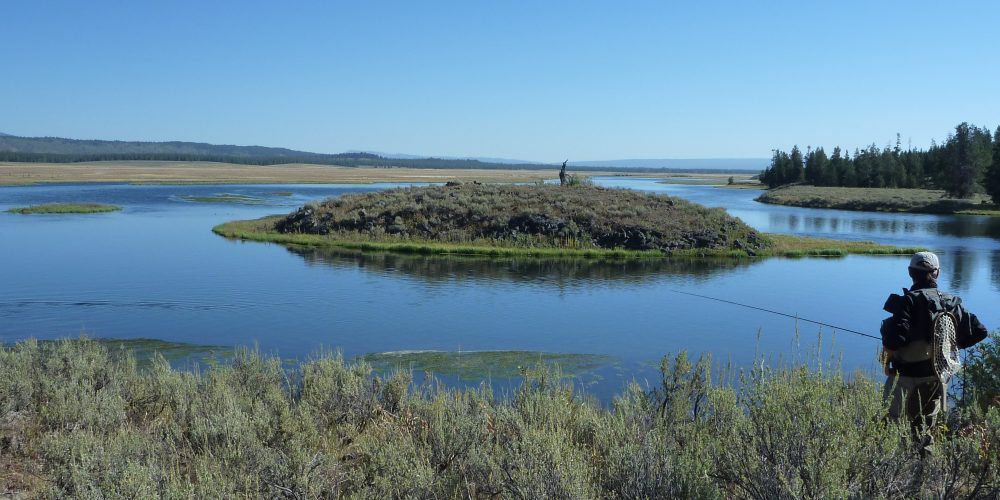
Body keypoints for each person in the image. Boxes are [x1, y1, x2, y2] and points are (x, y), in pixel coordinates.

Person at [880, 251, 989, 439]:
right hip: (937, 377)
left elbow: (894, 340)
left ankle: (893, 468)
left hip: (905, 378)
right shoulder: (951, 302)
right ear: (936, 273)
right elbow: (980, 331)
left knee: (891, 428)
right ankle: (924, 466)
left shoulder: (908, 301)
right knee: (923, 431)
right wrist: (947, 347)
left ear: (910, 272)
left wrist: (886, 361)